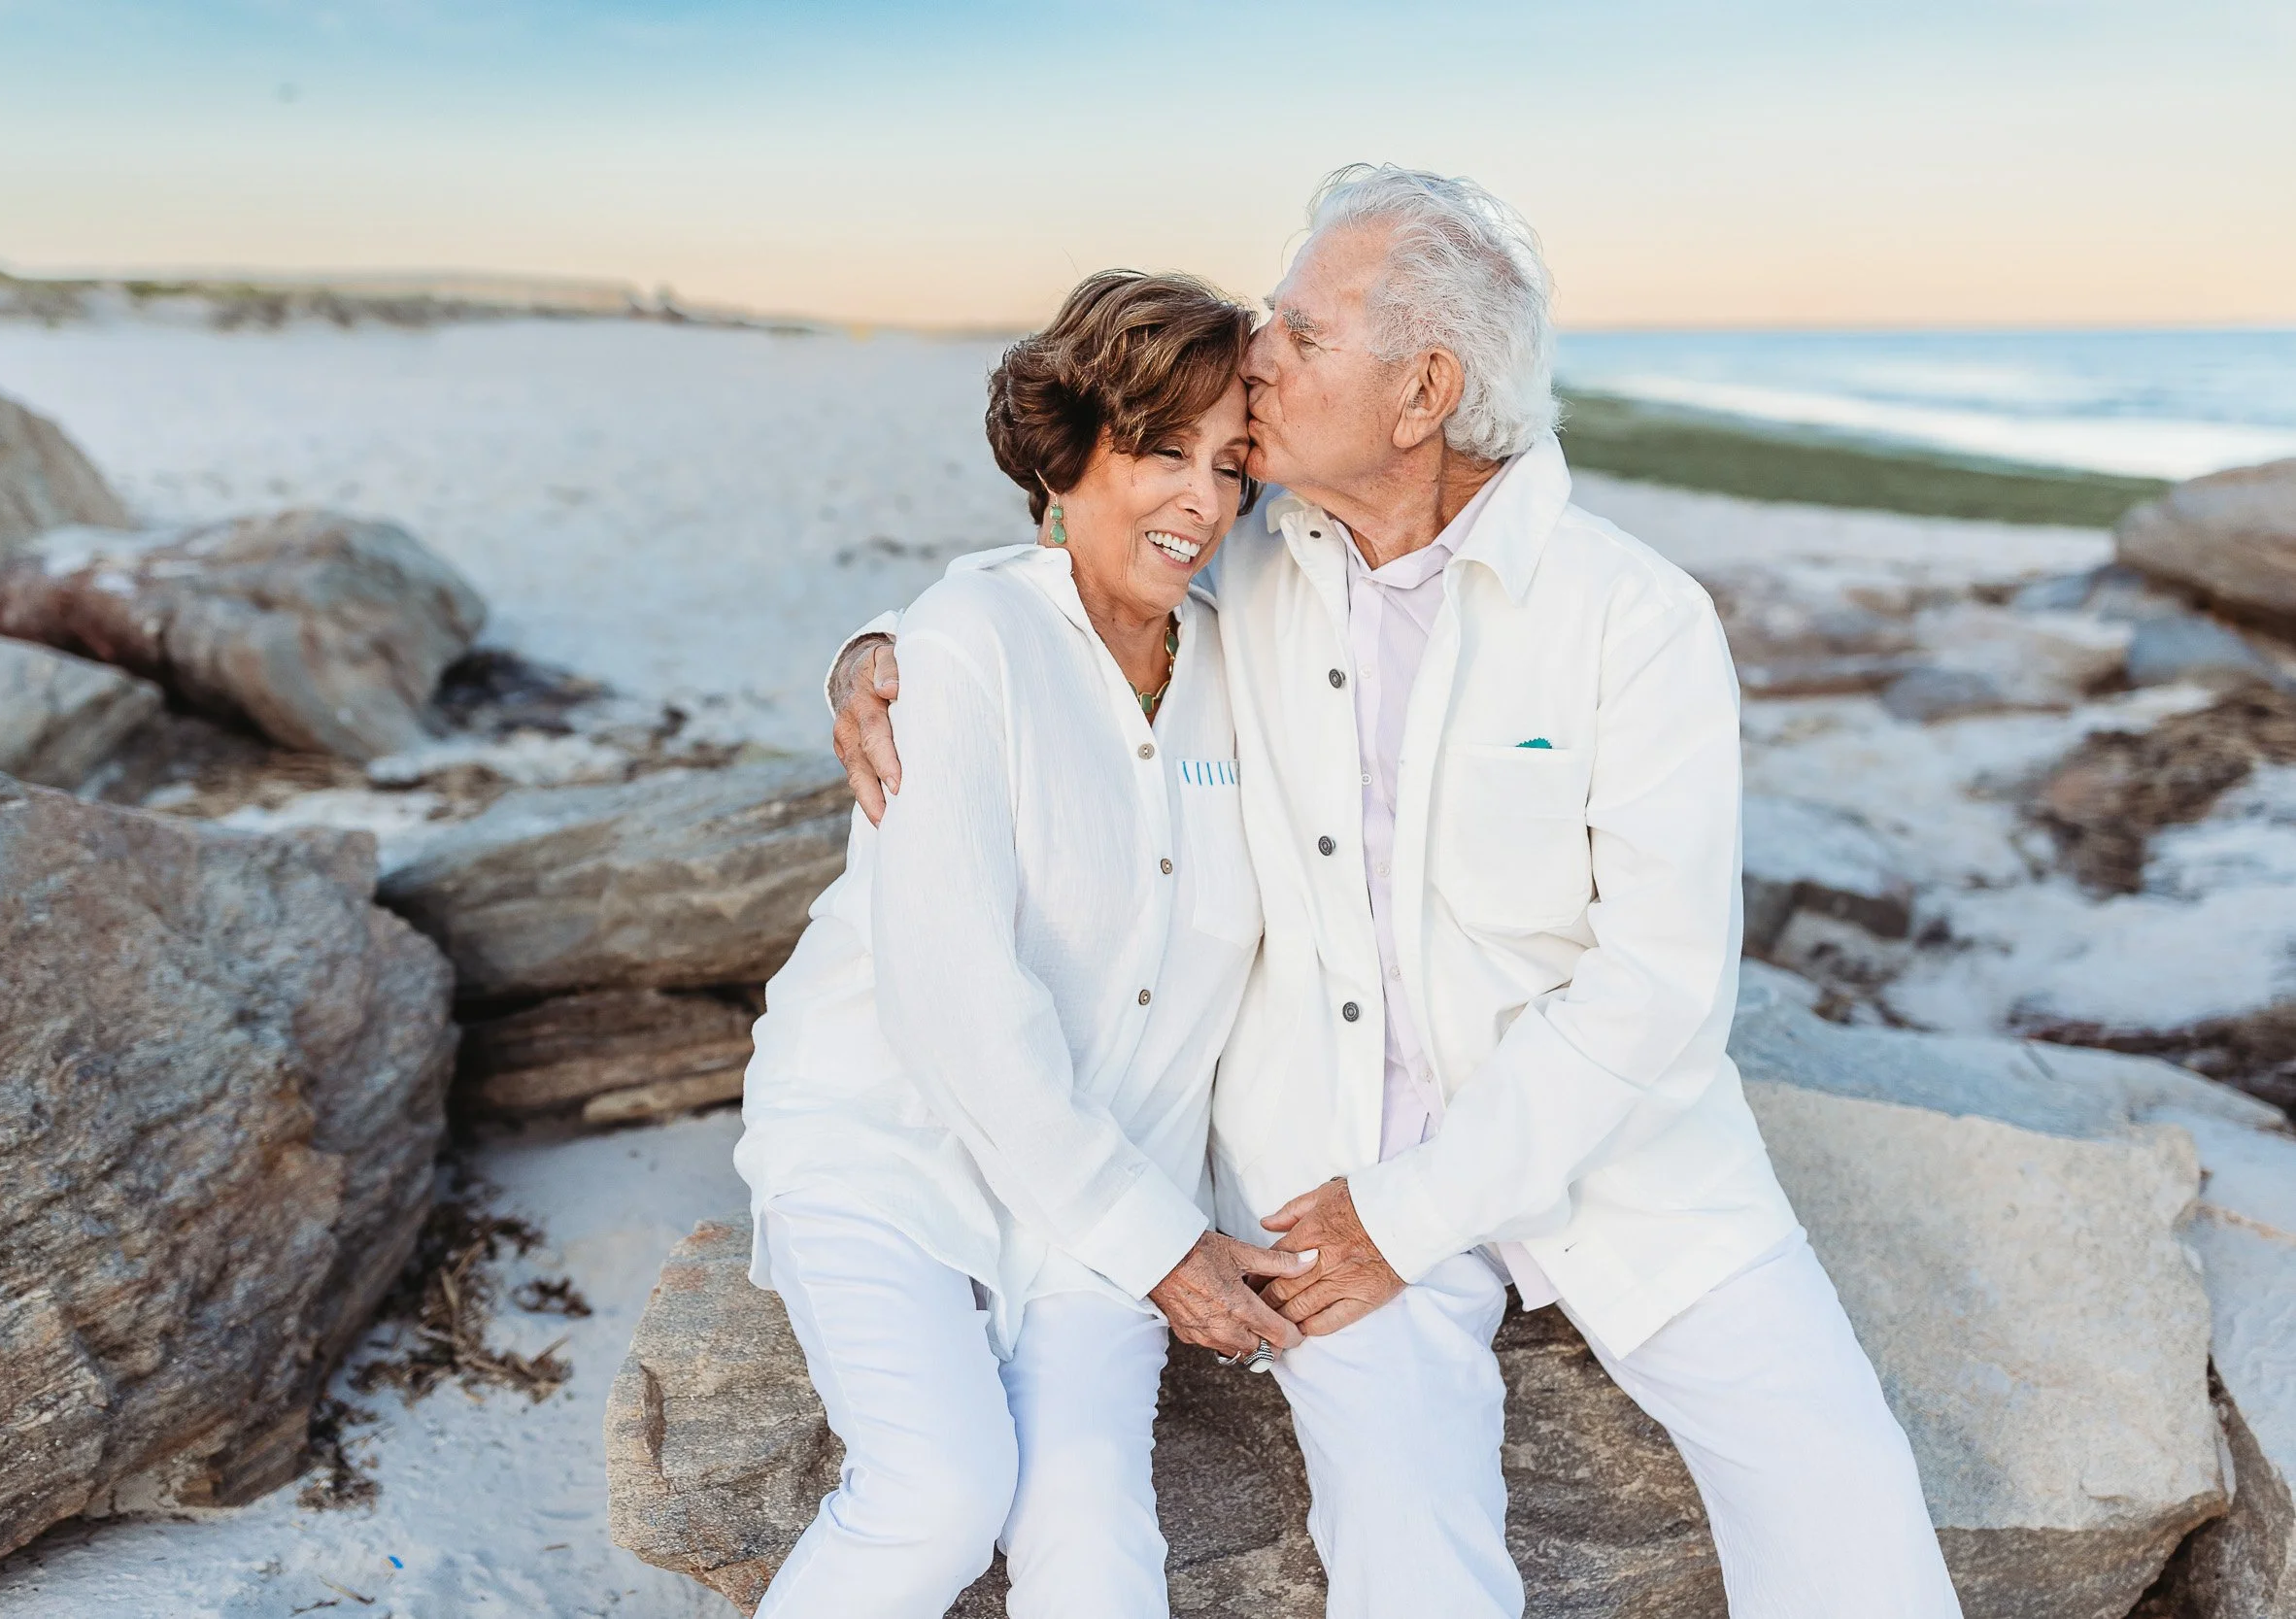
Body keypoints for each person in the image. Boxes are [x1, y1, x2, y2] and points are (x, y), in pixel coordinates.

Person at [829, 167, 1964, 1618]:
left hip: (1617, 1152)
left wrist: (1419, 1210)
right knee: (1404, 1548)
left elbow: (1662, 990)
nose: (1257, 355)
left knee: (1840, 1493)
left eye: (1301, 331)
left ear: (1423, 390)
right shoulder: (1249, 548)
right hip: (1320, 1163)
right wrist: (876, 651)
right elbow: (1079, 557)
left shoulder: (1636, 618)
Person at [735, 269, 1312, 1619]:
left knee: (1096, 1547)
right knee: (940, 1494)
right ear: (1067, 458)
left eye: (1233, 466)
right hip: (892, 1138)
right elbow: (953, 1006)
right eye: (1161, 449)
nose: (1201, 502)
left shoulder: (1253, 664)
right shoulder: (964, 645)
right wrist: (1167, 1250)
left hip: (1112, 1170)